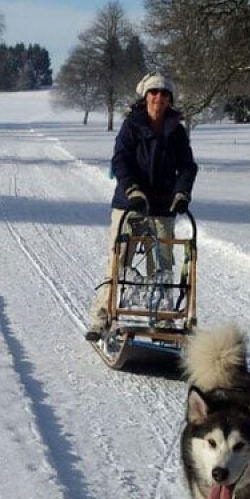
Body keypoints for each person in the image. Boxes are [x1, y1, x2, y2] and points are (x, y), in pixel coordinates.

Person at [86, 72, 198, 341]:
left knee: (162, 264)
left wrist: (182, 192)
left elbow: (187, 166)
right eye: (153, 93)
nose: (158, 98)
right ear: (145, 96)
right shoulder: (131, 126)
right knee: (118, 257)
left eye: (164, 94)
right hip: (130, 203)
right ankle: (101, 316)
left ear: (170, 100)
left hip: (162, 205)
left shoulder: (177, 131)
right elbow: (120, 161)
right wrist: (133, 189)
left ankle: (164, 318)